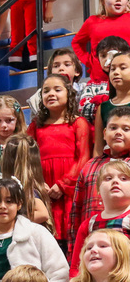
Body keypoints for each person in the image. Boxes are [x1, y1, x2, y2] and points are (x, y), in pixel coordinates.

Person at [29, 73, 94, 238]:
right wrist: (37, 182)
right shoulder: (36, 126)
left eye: (57, 90)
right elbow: (26, 157)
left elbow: (84, 158)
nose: (51, 94)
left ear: (69, 94)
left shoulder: (78, 123)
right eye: (46, 91)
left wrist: (63, 184)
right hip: (44, 188)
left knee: (70, 231)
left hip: (70, 189)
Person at [68, 105, 130, 241]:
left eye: (126, 129)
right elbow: (76, 209)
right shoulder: (90, 166)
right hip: (92, 241)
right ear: (104, 133)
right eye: (113, 128)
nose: (118, 132)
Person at [69, 160, 130, 275]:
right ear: (98, 190)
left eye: (123, 178)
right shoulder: (89, 224)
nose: (115, 181)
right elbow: (77, 265)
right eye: (108, 178)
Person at [73, 0, 130, 82]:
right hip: (100, 79)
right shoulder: (92, 22)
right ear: (102, 0)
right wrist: (90, 61)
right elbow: (76, 43)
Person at [95, 51, 130, 156]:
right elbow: (98, 146)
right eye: (113, 69)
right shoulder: (103, 107)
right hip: (110, 166)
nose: (116, 72)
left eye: (122, 68)